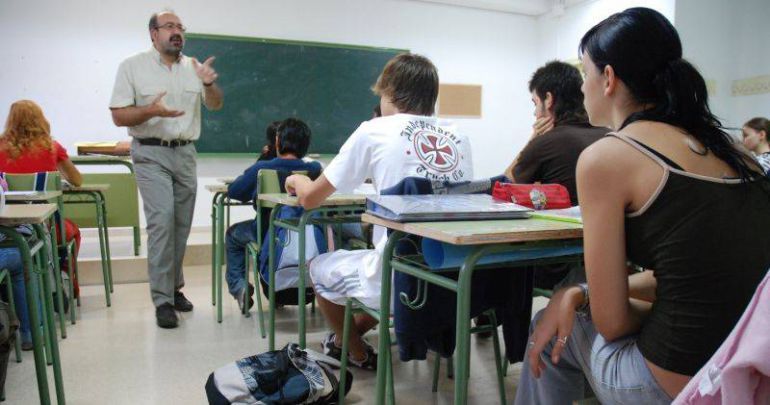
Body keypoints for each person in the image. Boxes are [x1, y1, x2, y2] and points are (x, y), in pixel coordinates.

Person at [515, 7, 770, 404]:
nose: (583, 88)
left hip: (674, 384)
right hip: (743, 366)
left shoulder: (610, 156)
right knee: (569, 307)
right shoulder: (739, 153)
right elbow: (700, 275)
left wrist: (579, 301)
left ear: (609, 79)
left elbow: (612, 323)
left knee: (549, 328)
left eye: (585, 74)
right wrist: (578, 292)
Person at [285, 53, 474, 369]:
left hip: (397, 275)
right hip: (451, 275)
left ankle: (355, 352)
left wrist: (298, 178)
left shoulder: (374, 130)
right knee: (370, 277)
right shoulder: (458, 134)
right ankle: (346, 339)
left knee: (317, 268)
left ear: (391, 93)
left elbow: (311, 199)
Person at [109, 10, 224, 328]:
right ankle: (162, 300)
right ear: (153, 33)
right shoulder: (132, 66)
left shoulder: (193, 68)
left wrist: (209, 84)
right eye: (169, 26)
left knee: (180, 226)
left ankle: (174, 289)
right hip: (150, 154)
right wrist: (150, 110)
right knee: (161, 222)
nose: (177, 32)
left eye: (180, 27)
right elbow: (119, 116)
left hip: (185, 154)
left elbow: (215, 104)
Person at [225, 118, 322, 309]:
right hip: (305, 238)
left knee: (233, 235)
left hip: (265, 233)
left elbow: (234, 191)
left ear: (277, 142)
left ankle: (239, 286)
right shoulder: (314, 170)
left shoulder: (262, 169)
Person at [0, 100, 83, 302]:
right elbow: (77, 181)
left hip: (7, 229)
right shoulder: (53, 148)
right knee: (73, 232)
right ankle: (62, 279)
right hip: (47, 226)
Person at [504, 61, 608, 205]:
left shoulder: (545, 143)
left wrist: (533, 140)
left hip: (566, 227)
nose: (535, 113)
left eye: (535, 103)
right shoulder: (610, 135)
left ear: (548, 99)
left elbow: (504, 186)